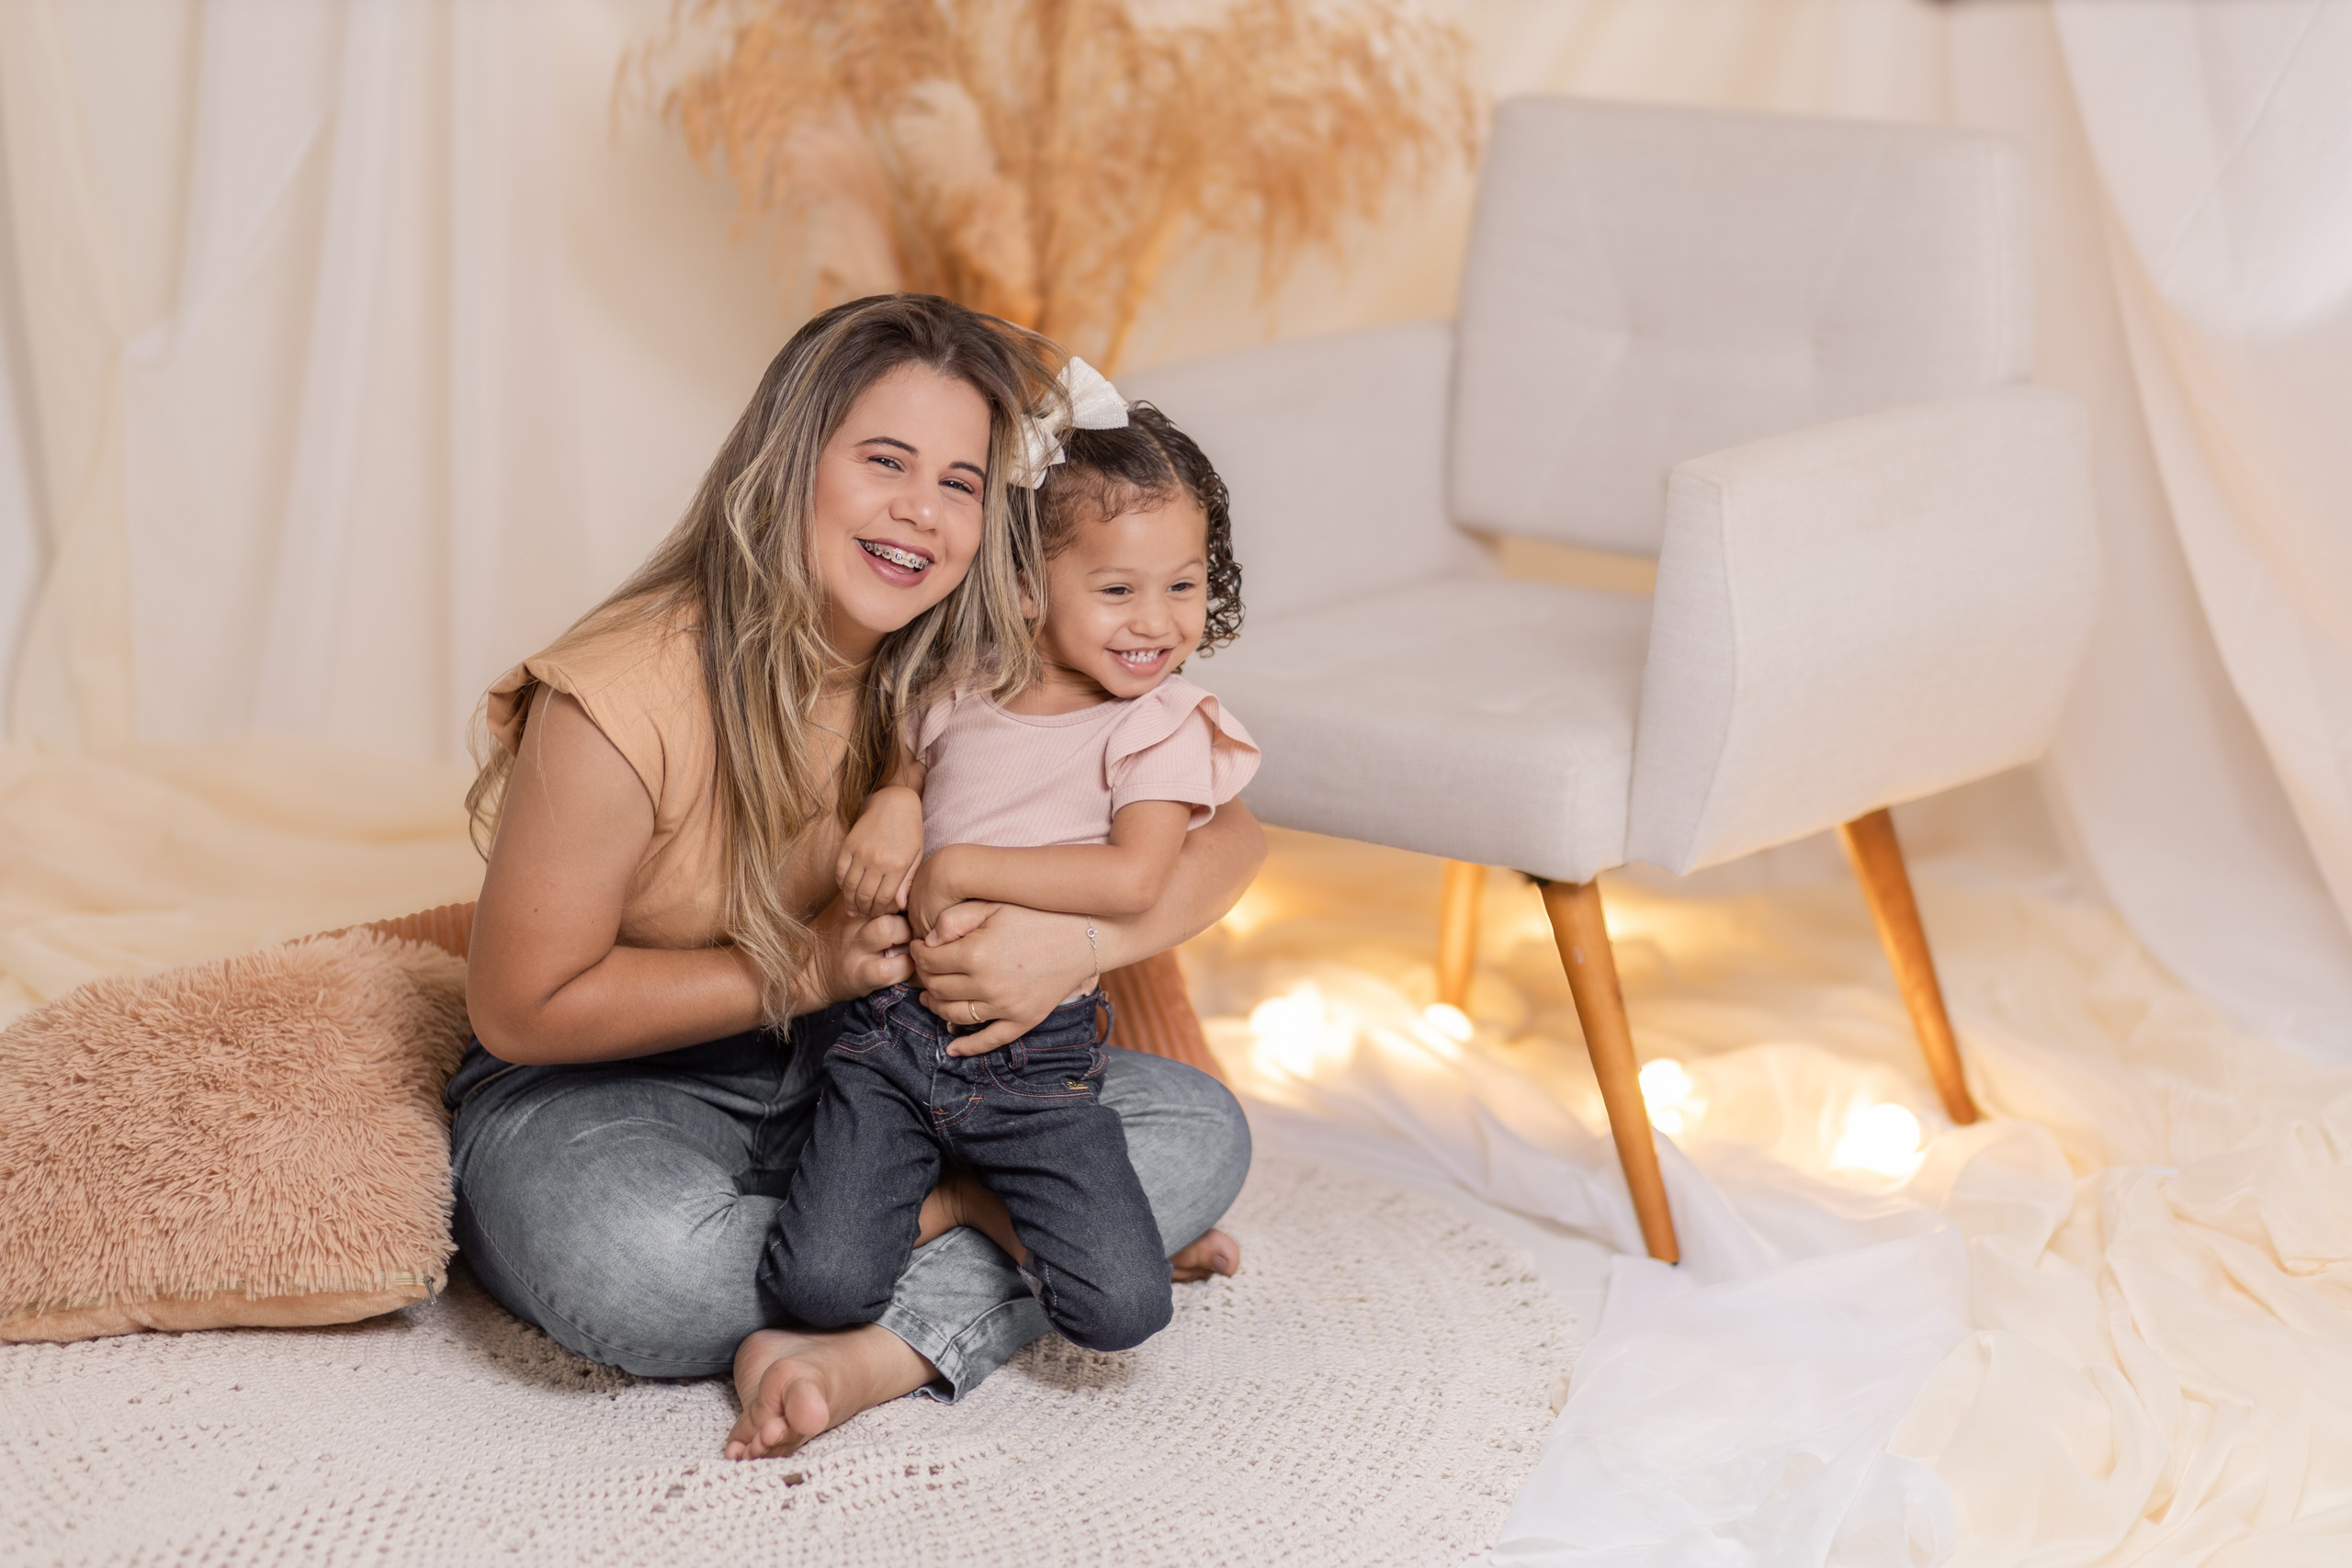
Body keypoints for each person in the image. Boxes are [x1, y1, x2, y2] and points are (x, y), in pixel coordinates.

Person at [447, 295, 1261, 1461]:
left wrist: (1074, 951)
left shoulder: (977, 664)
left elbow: (1232, 840)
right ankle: (996, 1230)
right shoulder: (617, 696)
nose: (919, 512)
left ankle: (877, 1338)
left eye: (962, 483)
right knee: (636, 1270)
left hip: (874, 1071)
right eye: (884, 461)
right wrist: (812, 966)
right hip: (615, 1085)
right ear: (790, 464)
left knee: (1203, 1128)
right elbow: (520, 1008)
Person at [751, 376, 1254, 1428]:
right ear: (1027, 585)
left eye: (1181, 586)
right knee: (815, 1290)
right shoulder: (955, 689)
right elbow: (906, 767)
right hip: (884, 1043)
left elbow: (1131, 879)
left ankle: (983, 1203)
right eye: (1118, 591)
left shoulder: (1158, 726)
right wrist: (893, 800)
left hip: (1031, 1068)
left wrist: (965, 865)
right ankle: (988, 1211)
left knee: (1120, 1310)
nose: (1158, 624)